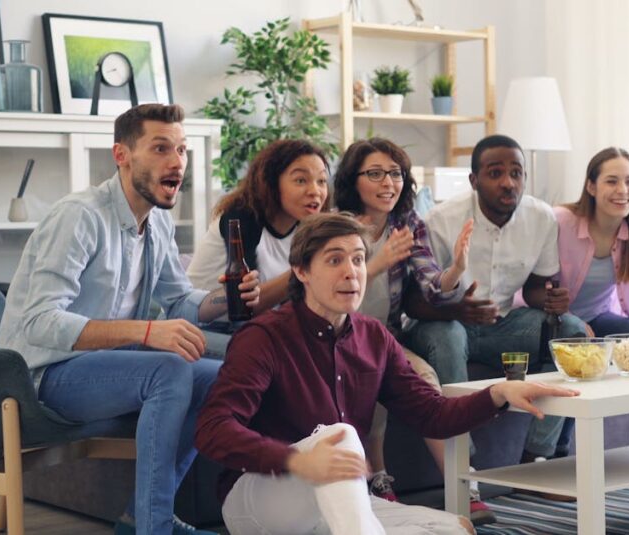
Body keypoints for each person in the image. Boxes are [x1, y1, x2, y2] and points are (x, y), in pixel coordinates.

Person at [195, 212, 578, 534]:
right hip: (261, 495)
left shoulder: (373, 337)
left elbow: (431, 413)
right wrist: (296, 460)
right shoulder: (263, 337)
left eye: (359, 259)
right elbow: (213, 429)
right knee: (340, 436)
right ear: (301, 271)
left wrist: (498, 394)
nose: (352, 272)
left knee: (455, 528)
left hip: (344, 504)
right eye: (334, 260)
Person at [0, 104, 261, 535]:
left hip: (107, 368)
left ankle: (138, 520)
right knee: (170, 369)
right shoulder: (80, 217)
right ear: (122, 155)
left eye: (181, 149)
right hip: (41, 375)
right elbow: (40, 322)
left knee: (219, 377)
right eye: (160, 148)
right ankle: (154, 528)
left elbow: (178, 302)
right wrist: (149, 333)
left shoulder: (157, 223)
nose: (176, 162)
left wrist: (223, 296)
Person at [401, 134, 589, 463]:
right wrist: (457, 310)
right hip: (442, 324)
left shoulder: (541, 218)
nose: (508, 183)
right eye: (495, 173)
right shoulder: (441, 221)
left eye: (517, 173)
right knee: (448, 336)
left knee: (572, 332)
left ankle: (537, 456)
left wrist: (551, 301)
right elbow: (411, 303)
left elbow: (534, 289)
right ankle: (463, 460)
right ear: (474, 180)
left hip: (502, 325)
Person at [333, 138, 491, 519]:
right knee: (370, 378)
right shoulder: (334, 225)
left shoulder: (406, 224)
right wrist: (375, 261)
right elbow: (328, 291)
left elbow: (432, 284)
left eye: (395, 173)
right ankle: (378, 479)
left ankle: (460, 484)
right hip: (336, 335)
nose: (388, 182)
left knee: (425, 379)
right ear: (353, 180)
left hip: (385, 336)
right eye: (375, 174)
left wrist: (454, 268)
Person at [187, 139, 330, 310]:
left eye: (321, 181)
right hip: (202, 324)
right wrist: (305, 270)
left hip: (257, 326)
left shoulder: (304, 227)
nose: (315, 191)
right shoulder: (240, 217)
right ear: (272, 183)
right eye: (300, 180)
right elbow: (246, 305)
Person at [556, 146, 629, 337]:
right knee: (575, 333)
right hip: (552, 316)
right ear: (591, 187)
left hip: (598, 317)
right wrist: (573, 322)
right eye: (611, 181)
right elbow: (539, 290)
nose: (622, 190)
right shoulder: (561, 222)